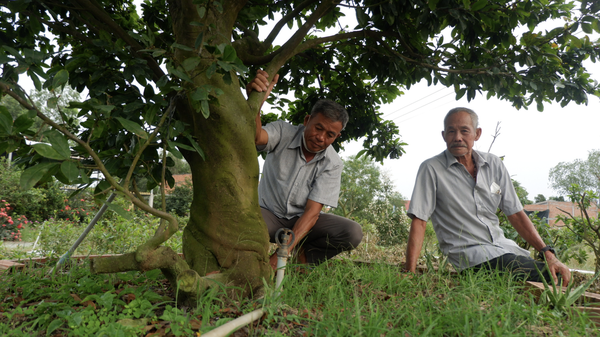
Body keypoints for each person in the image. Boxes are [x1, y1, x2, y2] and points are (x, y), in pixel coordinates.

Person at [404, 107, 571, 285]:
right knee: (551, 277)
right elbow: (420, 221)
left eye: (464, 131)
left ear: (477, 134)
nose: (458, 137)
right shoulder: (431, 169)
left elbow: (515, 213)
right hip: (470, 256)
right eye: (451, 131)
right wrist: (410, 272)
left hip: (504, 249)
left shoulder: (493, 164)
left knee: (557, 271)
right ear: (444, 136)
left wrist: (547, 253)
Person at [247, 70, 363, 270]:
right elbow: (257, 138)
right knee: (242, 219)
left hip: (303, 221)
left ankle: (303, 257)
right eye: (318, 128)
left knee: (352, 232)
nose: (321, 138)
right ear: (307, 120)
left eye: (330, 134)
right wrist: (257, 103)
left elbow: (311, 213)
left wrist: (280, 255)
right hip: (266, 215)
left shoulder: (332, 163)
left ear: (337, 136)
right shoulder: (283, 132)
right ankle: (247, 264)